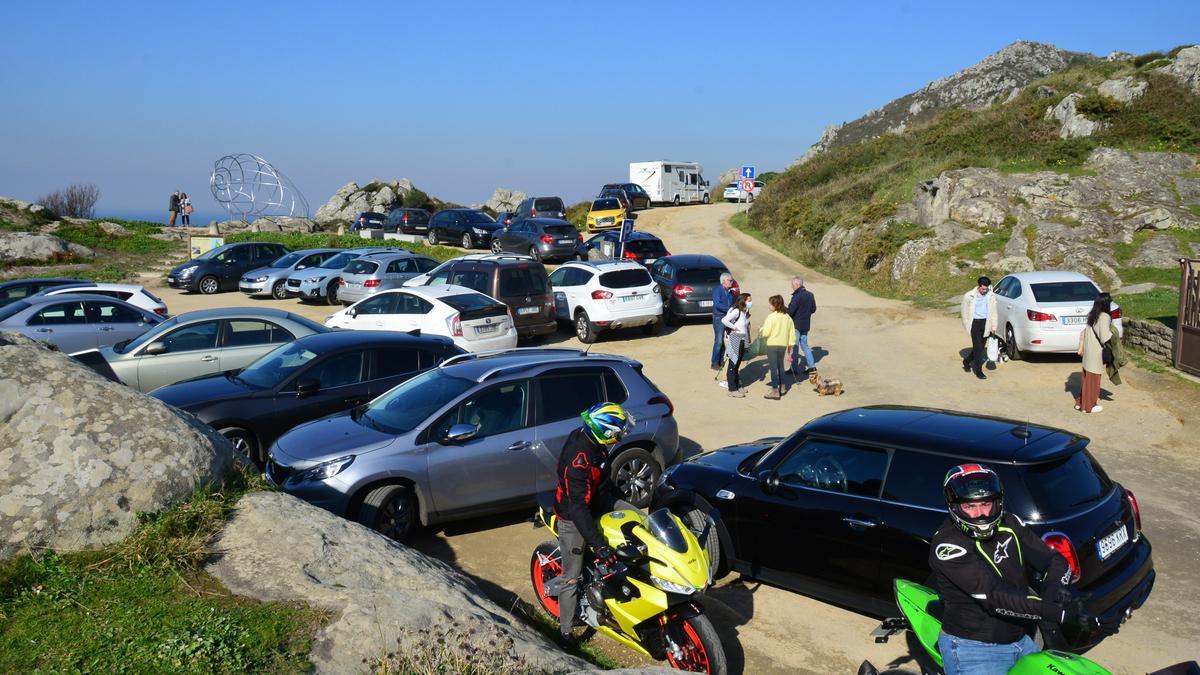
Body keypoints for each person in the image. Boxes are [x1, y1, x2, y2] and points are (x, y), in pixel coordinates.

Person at [930, 464, 1121, 675]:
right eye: (970, 506)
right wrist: (1067, 614)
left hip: (1021, 640)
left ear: (997, 501)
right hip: (974, 650)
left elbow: (1054, 560)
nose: (980, 513)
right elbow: (995, 596)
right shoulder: (948, 547)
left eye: (985, 504)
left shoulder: (1009, 523)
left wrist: (1053, 591)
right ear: (955, 506)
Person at [553, 402, 636, 649]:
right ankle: (565, 632)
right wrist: (599, 546)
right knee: (571, 577)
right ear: (605, 433)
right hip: (573, 516)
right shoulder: (579, 460)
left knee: (639, 519)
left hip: (600, 499)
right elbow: (579, 508)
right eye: (618, 431)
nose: (621, 435)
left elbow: (600, 478)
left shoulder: (594, 441)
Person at [1076, 292, 1116, 413]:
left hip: (1088, 351)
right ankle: (1089, 406)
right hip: (1096, 352)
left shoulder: (1093, 314)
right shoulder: (1104, 317)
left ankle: (1081, 403)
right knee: (1093, 380)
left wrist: (1081, 348)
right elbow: (1104, 336)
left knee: (1086, 379)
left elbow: (1084, 332)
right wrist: (1115, 336)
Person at [758, 294, 795, 399]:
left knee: (773, 368)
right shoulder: (787, 317)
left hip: (772, 345)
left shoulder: (771, 317)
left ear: (775, 305)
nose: (768, 306)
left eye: (770, 304)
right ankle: (782, 387)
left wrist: (761, 329)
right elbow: (792, 333)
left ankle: (775, 390)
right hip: (783, 345)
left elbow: (766, 333)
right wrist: (790, 345)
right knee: (781, 366)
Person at [959, 276, 997, 380]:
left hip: (986, 323)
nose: (985, 291)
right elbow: (964, 312)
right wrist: (967, 325)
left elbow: (993, 312)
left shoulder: (991, 296)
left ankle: (966, 361)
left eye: (986, 289)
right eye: (983, 289)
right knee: (978, 348)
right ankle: (978, 371)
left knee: (979, 348)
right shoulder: (969, 296)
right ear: (978, 286)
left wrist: (994, 326)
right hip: (974, 323)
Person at [785, 276, 817, 376]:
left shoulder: (796, 296)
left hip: (796, 325)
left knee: (795, 347)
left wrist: (783, 308)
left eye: (792, 285)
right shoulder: (810, 295)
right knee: (805, 346)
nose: (791, 286)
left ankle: (794, 369)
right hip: (806, 324)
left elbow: (790, 311)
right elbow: (813, 309)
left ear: (797, 285)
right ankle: (812, 368)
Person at [722, 293, 752, 397]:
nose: (750, 303)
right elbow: (724, 320)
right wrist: (733, 327)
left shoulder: (744, 312)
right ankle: (732, 389)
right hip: (735, 339)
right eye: (749, 300)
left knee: (737, 363)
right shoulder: (736, 311)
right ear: (743, 301)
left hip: (742, 339)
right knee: (733, 364)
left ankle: (737, 386)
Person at [711, 273, 737, 370]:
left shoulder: (729, 292)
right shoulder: (718, 290)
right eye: (730, 280)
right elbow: (718, 304)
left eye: (732, 280)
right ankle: (714, 362)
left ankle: (721, 360)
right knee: (718, 341)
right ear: (723, 281)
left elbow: (733, 304)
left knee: (725, 340)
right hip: (719, 318)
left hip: (727, 318)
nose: (732, 282)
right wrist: (730, 310)